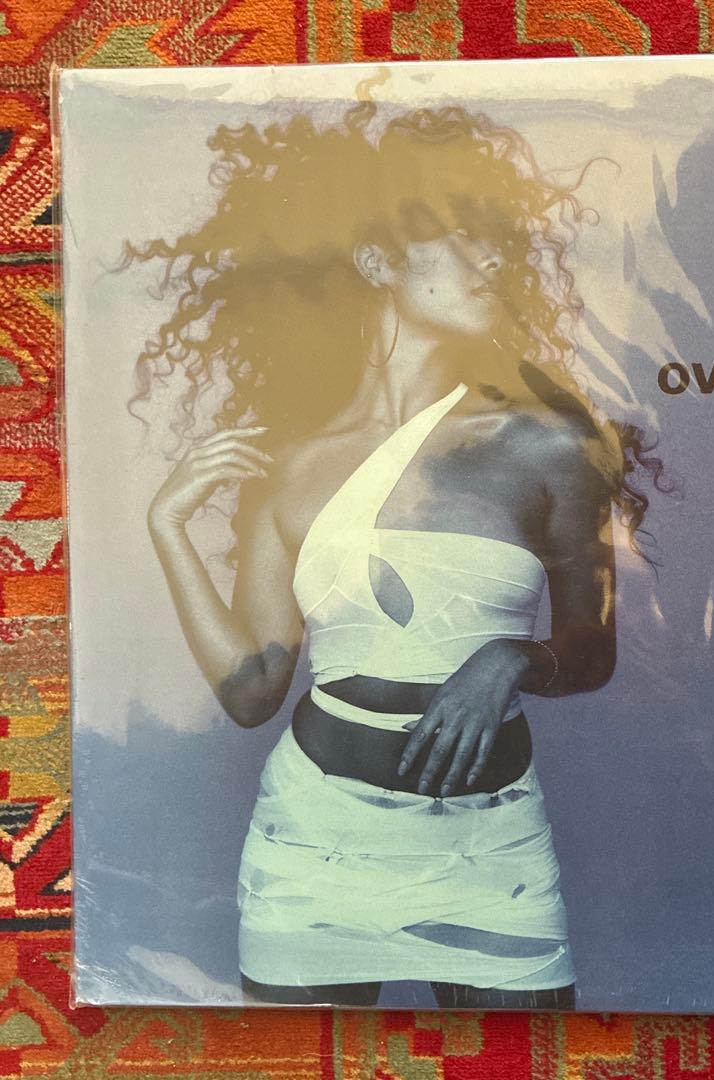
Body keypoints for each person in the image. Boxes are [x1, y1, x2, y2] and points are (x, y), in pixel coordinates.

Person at [131, 102, 662, 1009]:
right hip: (311, 845)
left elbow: (593, 649)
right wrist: (167, 528)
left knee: (523, 1067)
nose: (489, 259)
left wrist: (511, 658)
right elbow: (254, 692)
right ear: (376, 261)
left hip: (487, 849)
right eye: (456, 235)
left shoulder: (548, 444)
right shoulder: (289, 467)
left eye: (495, 239)